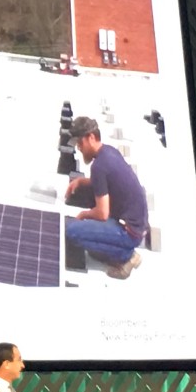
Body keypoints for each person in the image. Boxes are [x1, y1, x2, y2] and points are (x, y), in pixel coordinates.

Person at [64, 116, 148, 280]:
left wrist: (83, 215)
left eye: (80, 143)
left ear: (91, 137)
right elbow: (106, 181)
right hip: (137, 223)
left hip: (129, 232)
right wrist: (80, 181)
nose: (79, 148)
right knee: (89, 196)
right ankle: (114, 246)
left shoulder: (99, 166)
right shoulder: (109, 152)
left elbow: (102, 213)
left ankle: (127, 256)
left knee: (73, 232)